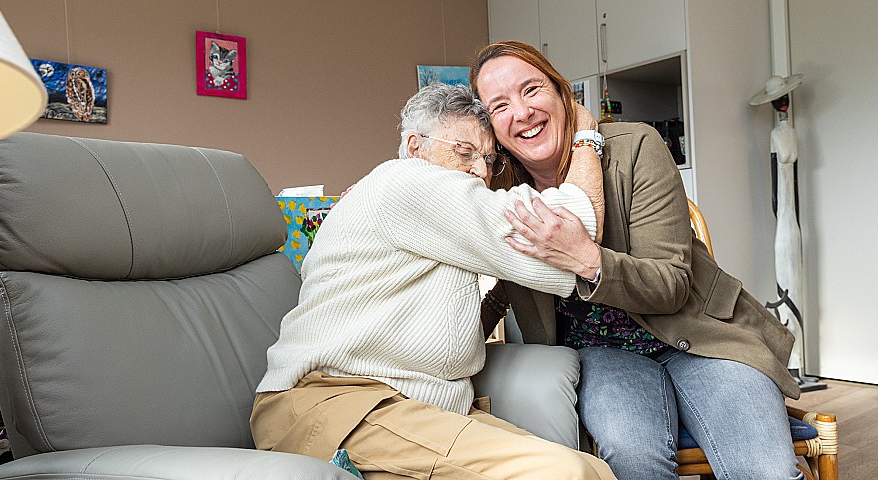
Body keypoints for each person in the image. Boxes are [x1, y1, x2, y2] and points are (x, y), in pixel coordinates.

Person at [470, 41, 805, 480]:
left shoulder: (634, 147)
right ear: (492, 128)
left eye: (531, 89)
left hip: (701, 335)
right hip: (603, 354)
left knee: (767, 473)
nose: (522, 112)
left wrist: (587, 259)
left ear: (560, 91)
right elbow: (505, 282)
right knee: (633, 459)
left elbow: (670, 285)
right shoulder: (500, 195)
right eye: (500, 106)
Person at [250, 82, 616, 480]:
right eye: (464, 153)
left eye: (489, 160)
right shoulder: (406, 182)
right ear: (414, 146)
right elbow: (571, 231)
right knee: (567, 473)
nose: (479, 170)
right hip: (337, 403)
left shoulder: (408, 199)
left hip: (405, 407)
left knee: (590, 469)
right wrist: (583, 133)